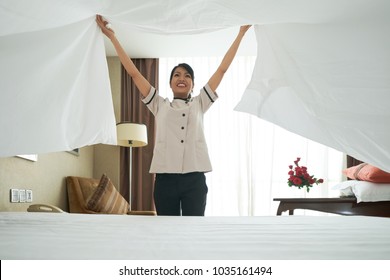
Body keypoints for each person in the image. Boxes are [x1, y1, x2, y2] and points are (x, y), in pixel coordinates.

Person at [96, 15, 251, 216]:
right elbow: (134, 73)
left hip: (194, 180)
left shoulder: (199, 103)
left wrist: (240, 34)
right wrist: (112, 38)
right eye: (177, 74)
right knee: (166, 231)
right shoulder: (159, 104)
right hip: (165, 180)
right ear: (170, 83)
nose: (182, 78)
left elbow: (222, 69)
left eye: (187, 76)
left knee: (193, 231)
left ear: (193, 85)